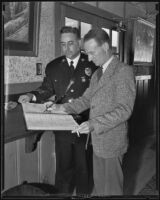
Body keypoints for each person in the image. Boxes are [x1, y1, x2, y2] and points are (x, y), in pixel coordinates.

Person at [49, 28, 136, 196]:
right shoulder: (97, 73)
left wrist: (94, 124)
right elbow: (86, 100)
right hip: (96, 141)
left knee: (112, 190)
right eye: (86, 53)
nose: (89, 58)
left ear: (105, 46)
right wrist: (63, 108)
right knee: (101, 188)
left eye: (92, 53)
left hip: (112, 142)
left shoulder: (123, 71)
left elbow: (125, 109)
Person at [18, 26, 97, 196]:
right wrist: (31, 95)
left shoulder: (92, 63)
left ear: (80, 43)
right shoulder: (53, 66)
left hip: (85, 123)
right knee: (63, 170)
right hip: (62, 124)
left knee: (83, 169)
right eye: (63, 44)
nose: (67, 48)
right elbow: (46, 89)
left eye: (71, 43)